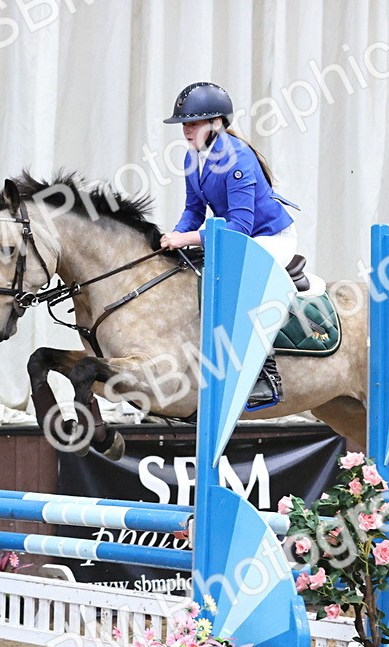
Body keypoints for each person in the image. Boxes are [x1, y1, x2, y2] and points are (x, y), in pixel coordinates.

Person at [159, 81, 306, 410]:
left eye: (193, 123)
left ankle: (264, 377)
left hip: (269, 237)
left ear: (216, 123)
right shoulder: (191, 158)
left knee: (238, 285)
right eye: (184, 124)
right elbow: (194, 211)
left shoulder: (237, 158)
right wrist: (173, 238)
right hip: (233, 235)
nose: (186, 130)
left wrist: (187, 237)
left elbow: (240, 226)